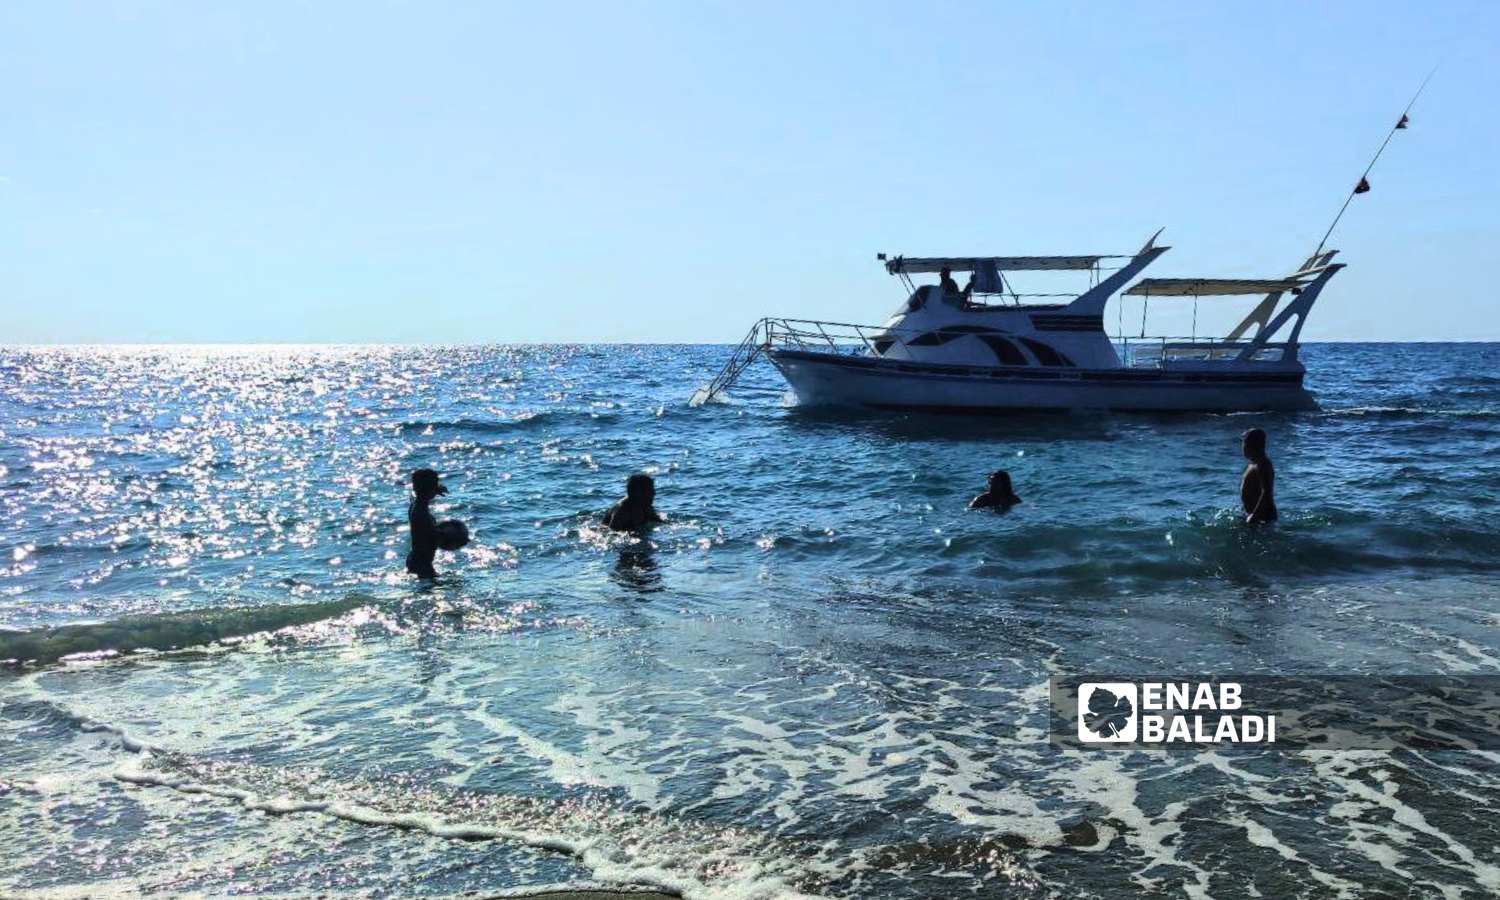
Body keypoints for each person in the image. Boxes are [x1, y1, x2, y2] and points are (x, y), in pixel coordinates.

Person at [406, 468, 447, 579]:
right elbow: (436, 538)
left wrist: (435, 489)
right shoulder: (421, 514)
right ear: (430, 489)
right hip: (422, 565)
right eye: (436, 484)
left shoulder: (416, 503)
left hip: (416, 559)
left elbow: (416, 493)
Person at [1240, 428, 1278, 525]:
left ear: (1251, 445)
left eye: (1244, 443)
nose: (1242, 447)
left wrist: (1254, 516)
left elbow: (1266, 492)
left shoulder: (1263, 465)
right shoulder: (1254, 464)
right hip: (1252, 514)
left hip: (1262, 516)